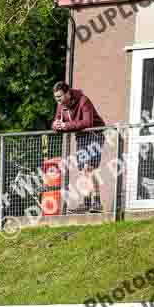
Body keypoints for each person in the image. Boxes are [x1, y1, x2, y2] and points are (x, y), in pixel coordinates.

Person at [51, 81, 106, 213]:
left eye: (59, 96)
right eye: (56, 97)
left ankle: (97, 202)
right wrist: (57, 126)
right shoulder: (61, 105)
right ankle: (87, 203)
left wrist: (65, 126)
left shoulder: (83, 100)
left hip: (94, 135)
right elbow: (56, 122)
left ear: (68, 93)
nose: (57, 100)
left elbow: (88, 122)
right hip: (81, 137)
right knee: (83, 171)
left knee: (89, 168)